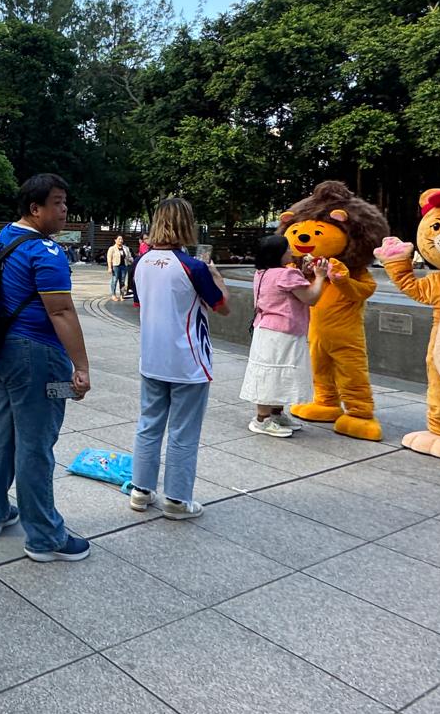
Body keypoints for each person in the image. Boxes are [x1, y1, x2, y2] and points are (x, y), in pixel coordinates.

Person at [0, 174, 92, 562]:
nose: (64, 209)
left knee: (0, 430)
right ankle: (45, 537)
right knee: (36, 443)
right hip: (38, 357)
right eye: (57, 202)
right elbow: (62, 311)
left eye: (65, 201)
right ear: (35, 209)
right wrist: (81, 366)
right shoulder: (47, 254)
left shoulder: (2, 237)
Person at [127, 197, 230, 520]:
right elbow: (222, 306)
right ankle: (177, 498)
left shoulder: (140, 263)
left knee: (149, 425)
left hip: (152, 358)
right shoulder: (194, 267)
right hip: (188, 361)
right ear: (187, 224)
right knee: (184, 431)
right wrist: (218, 278)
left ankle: (140, 490)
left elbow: (141, 306)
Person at [238, 234, 326, 439]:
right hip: (283, 332)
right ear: (278, 253)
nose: (291, 252)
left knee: (272, 372)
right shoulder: (286, 275)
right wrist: (320, 276)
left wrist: (302, 274)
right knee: (276, 373)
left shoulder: (262, 272)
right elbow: (311, 298)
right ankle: (262, 419)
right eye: (287, 249)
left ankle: (275, 414)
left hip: (265, 329)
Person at [107, 235, 128, 301]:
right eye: (119, 239)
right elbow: (109, 258)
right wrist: (110, 267)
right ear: (115, 240)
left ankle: (122, 295)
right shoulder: (112, 248)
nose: (121, 240)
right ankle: (113, 295)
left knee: (122, 281)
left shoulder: (125, 248)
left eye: (121, 239)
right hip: (116, 266)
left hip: (124, 266)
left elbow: (129, 256)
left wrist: (131, 259)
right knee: (115, 280)